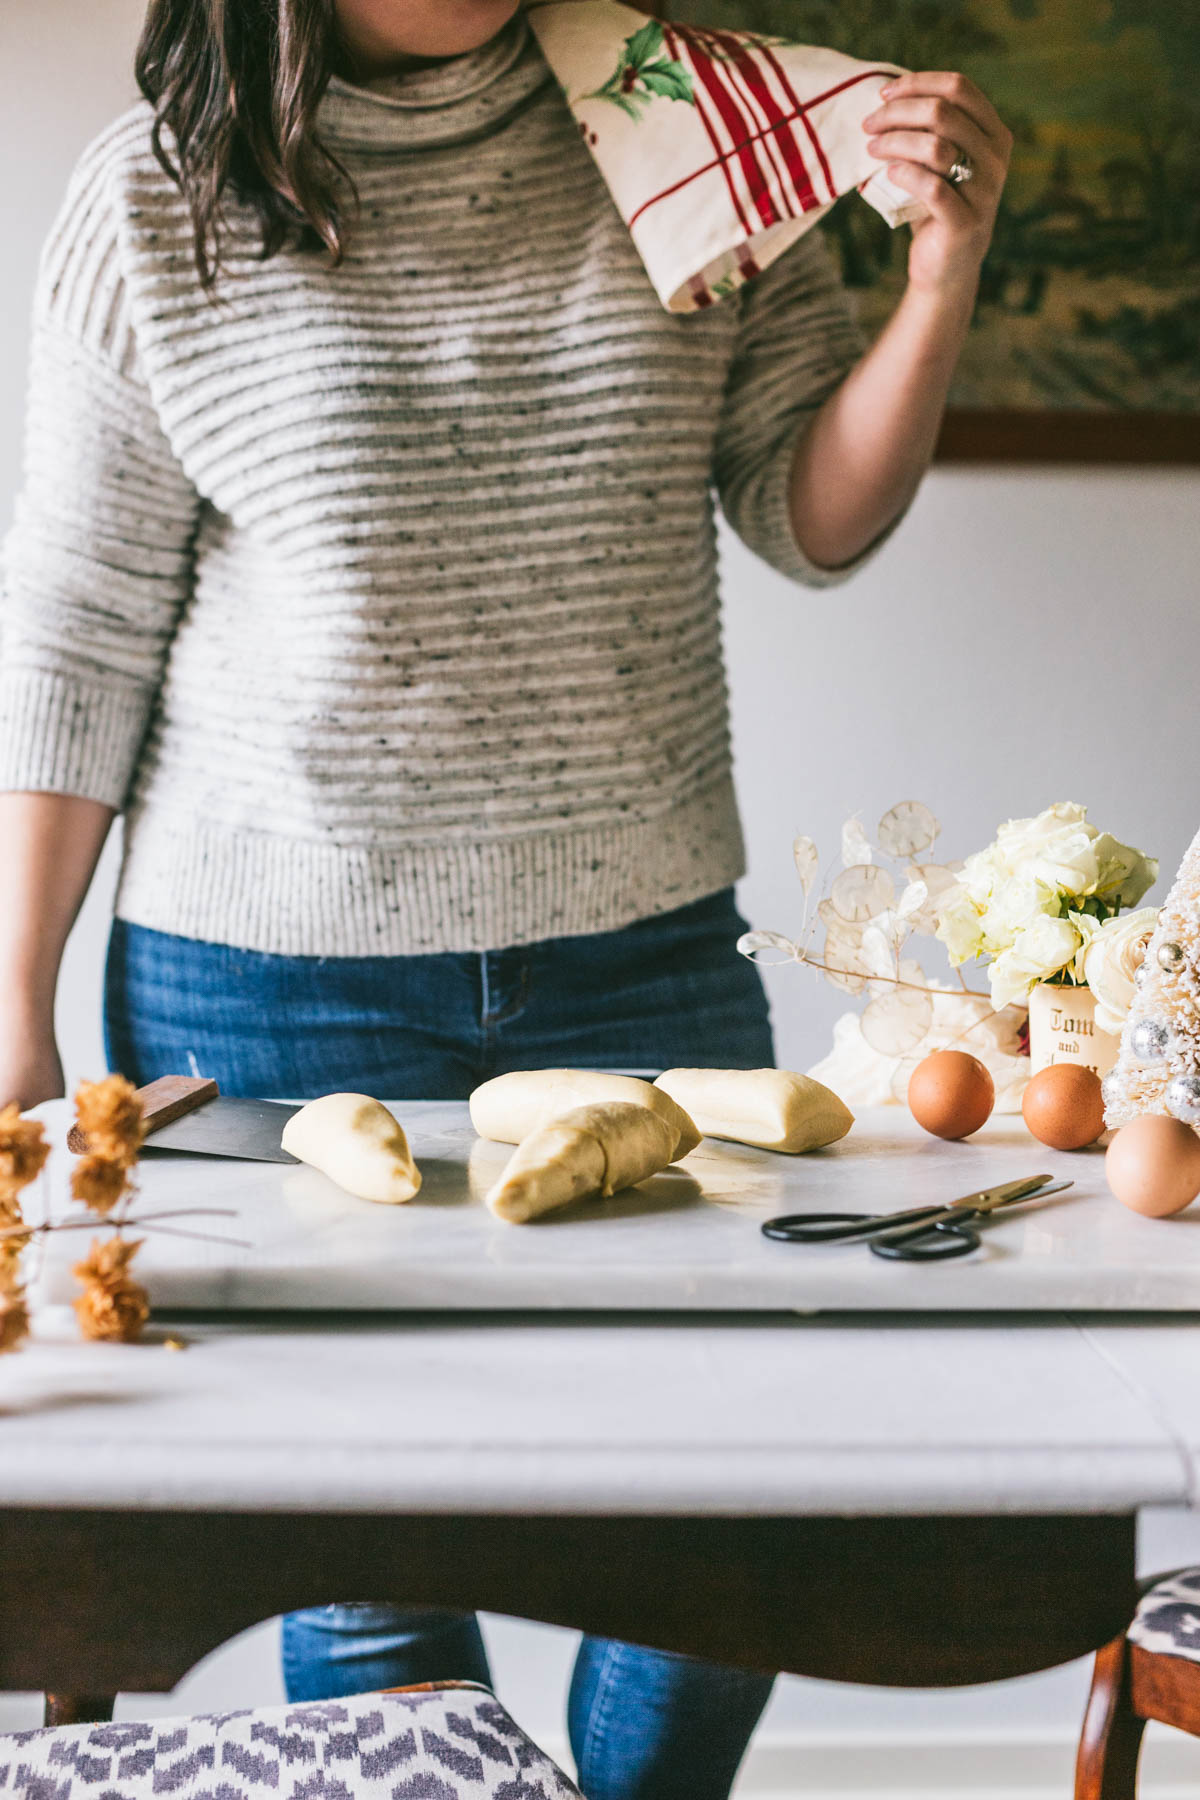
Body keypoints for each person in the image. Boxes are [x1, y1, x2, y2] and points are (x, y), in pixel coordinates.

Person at [0, 0, 1010, 1792]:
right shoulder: (158, 197)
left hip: (644, 959)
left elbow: (805, 513)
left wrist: (937, 281)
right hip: (266, 992)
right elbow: (70, 638)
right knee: (372, 1583)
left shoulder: (698, 132)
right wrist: (13, 992)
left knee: (738, 1534)